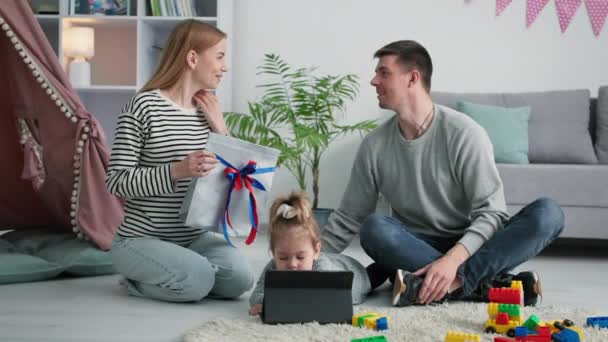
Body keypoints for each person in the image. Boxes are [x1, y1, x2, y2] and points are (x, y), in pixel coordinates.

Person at [320, 40, 565, 307]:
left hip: (471, 242)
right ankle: (488, 284)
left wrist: (453, 261)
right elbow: (348, 217)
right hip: (415, 244)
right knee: (375, 229)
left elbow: (492, 213)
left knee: (548, 214)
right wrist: (302, 261)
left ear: (412, 78)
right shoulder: (374, 145)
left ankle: (449, 283)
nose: (373, 81)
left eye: (384, 73)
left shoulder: (465, 134)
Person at [106, 19, 254, 302]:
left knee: (240, 280)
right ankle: (136, 280)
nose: (225, 66)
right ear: (193, 58)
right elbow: (116, 182)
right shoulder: (143, 106)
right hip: (141, 239)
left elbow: (234, 178)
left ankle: (184, 271)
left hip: (193, 237)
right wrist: (177, 170)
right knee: (197, 282)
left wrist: (221, 130)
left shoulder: (208, 110)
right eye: (220, 56)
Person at [248, 192, 371, 316]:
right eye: (283, 257)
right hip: (337, 262)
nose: (292, 264)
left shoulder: (322, 269)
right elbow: (255, 296)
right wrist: (263, 302)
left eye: (300, 257)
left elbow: (320, 300)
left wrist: (279, 300)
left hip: (356, 274)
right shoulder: (273, 266)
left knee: (372, 278)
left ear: (316, 251)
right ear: (273, 253)